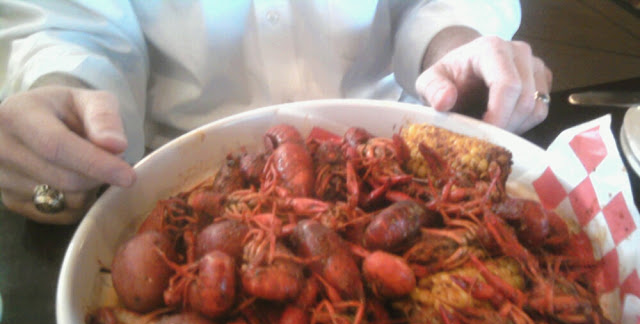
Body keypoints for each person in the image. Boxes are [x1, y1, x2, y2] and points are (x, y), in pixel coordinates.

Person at [0, 1, 552, 224]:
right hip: (180, 177)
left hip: (405, 148)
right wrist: (63, 102)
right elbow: (68, 24)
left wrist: (458, 51)